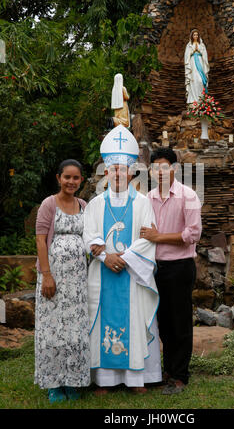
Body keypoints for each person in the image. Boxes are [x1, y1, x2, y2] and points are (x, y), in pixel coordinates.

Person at [83, 124, 161, 394]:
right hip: (104, 274)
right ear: (106, 172)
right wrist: (105, 257)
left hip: (130, 274)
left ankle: (135, 379)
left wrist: (124, 258)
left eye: (123, 169)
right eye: (113, 169)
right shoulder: (95, 204)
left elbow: (147, 236)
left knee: (134, 320)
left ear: (131, 172)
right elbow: (89, 234)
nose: (118, 173)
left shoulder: (142, 203)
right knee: (101, 320)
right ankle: (104, 380)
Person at [140, 148, 202, 395]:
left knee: (180, 322)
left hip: (179, 267)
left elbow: (192, 234)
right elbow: (144, 231)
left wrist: (159, 237)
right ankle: (167, 369)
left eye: (164, 167)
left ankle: (180, 376)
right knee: (162, 322)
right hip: (155, 268)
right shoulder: (148, 197)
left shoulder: (188, 196)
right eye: (155, 168)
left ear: (174, 168)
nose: (159, 172)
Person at [35, 159, 91, 403]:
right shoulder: (49, 204)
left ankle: (73, 380)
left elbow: (91, 237)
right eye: (67, 177)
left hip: (78, 282)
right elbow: (39, 241)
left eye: (76, 178)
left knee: (75, 331)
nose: (71, 181)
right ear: (59, 178)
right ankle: (54, 384)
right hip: (54, 279)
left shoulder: (84, 205)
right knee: (53, 330)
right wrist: (47, 275)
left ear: (81, 181)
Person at [184, 28, 210, 104]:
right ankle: (193, 100)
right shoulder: (189, 45)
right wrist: (193, 51)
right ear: (192, 36)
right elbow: (186, 56)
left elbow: (204, 55)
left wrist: (199, 51)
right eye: (194, 35)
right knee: (193, 80)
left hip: (200, 62)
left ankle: (201, 99)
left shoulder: (201, 45)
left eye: (197, 35)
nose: (195, 36)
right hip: (192, 63)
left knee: (200, 80)